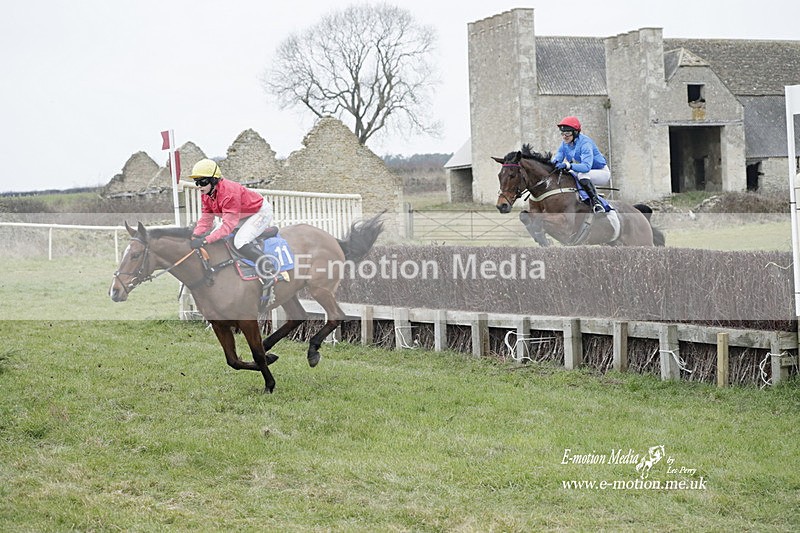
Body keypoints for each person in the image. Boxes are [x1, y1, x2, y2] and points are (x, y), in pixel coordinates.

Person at [188, 158, 276, 281]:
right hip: (241, 214)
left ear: (214, 180)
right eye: (196, 182)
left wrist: (205, 240)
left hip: (259, 212)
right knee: (214, 237)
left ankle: (268, 267)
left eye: (202, 182)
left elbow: (227, 227)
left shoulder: (229, 193)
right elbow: (206, 220)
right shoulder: (206, 195)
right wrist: (195, 235)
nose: (199, 186)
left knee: (240, 241)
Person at [551, 116, 611, 214]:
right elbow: (557, 159)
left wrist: (567, 165)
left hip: (601, 172)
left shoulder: (585, 143)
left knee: (581, 175)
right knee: (568, 175)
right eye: (562, 133)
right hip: (582, 172)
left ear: (575, 132)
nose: (564, 136)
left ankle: (596, 203)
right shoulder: (564, 144)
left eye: (567, 133)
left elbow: (586, 167)